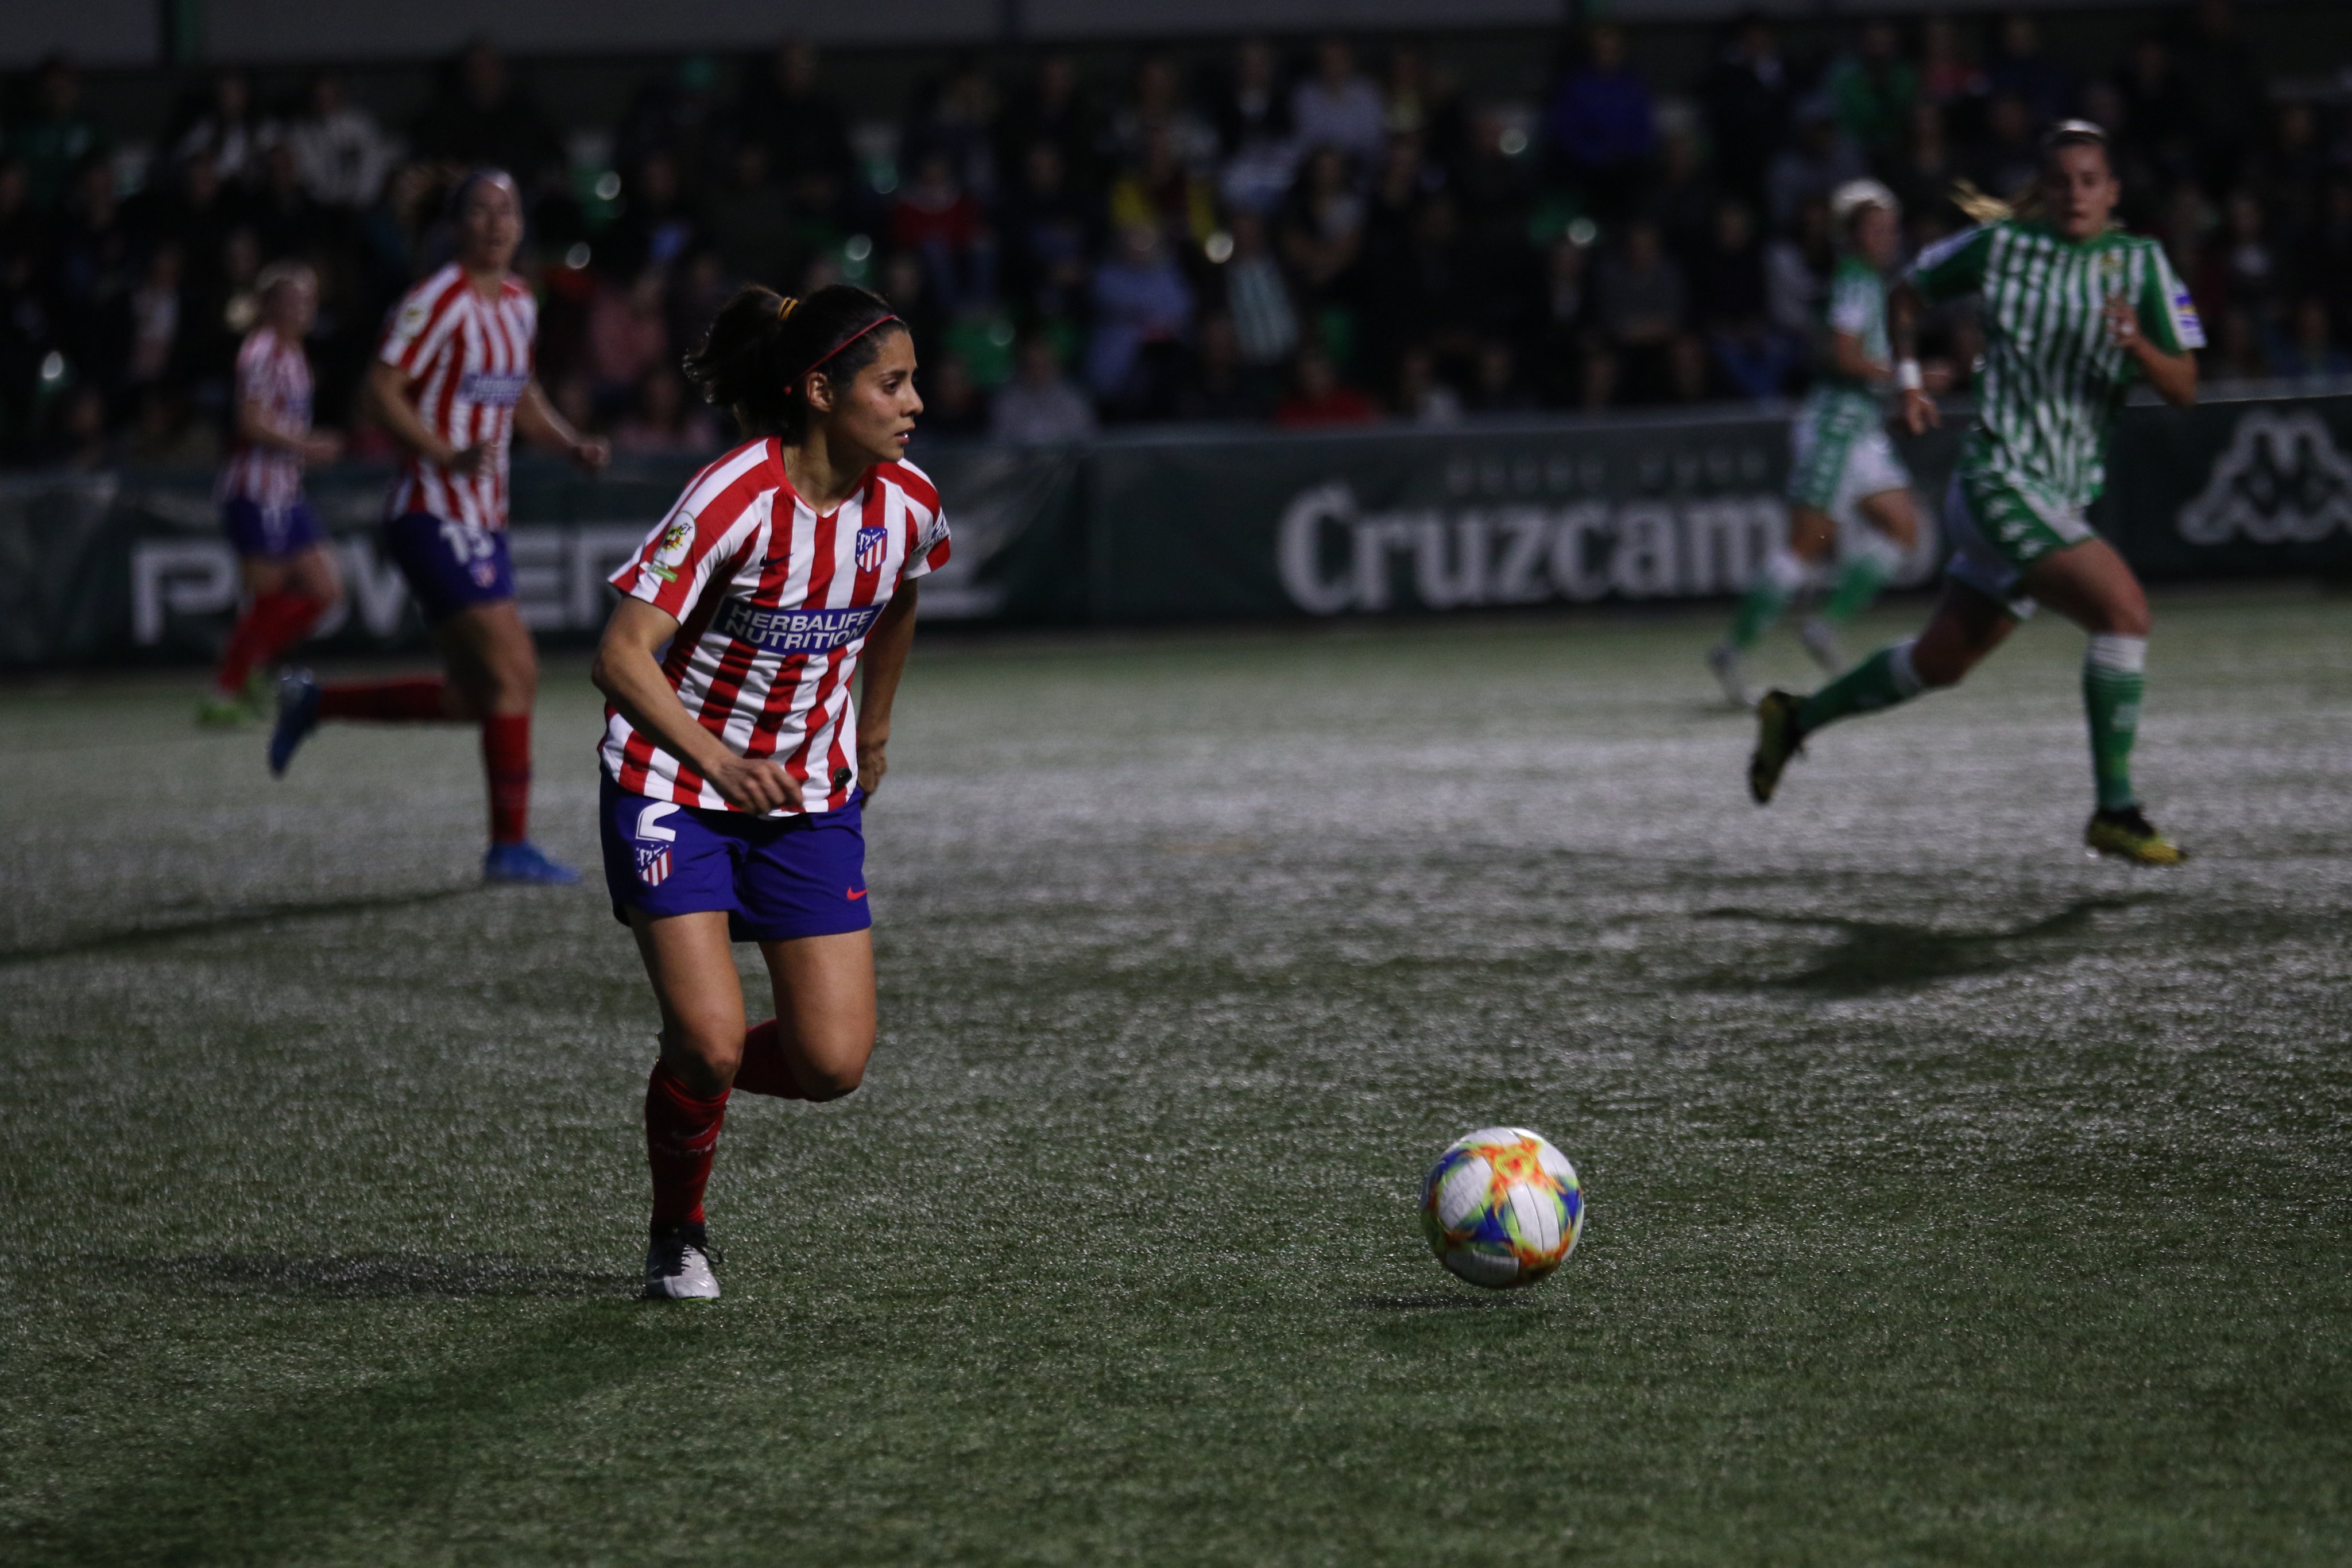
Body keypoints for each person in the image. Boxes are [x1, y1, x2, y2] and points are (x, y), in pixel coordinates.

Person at [590, 285, 947, 1300]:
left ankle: (688, 1078)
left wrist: (872, 727)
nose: (915, 401)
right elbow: (620, 657)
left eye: (914, 380)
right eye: (893, 383)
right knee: (710, 1037)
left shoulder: (908, 502)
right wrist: (715, 759)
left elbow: (904, 591)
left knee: (832, 1064)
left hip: (807, 797)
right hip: (672, 782)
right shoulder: (732, 497)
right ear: (822, 391)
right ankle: (678, 1231)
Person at [1748, 123, 2204, 865]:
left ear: (2112, 191)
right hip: (1999, 479)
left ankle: (1795, 716)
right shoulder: (2004, 249)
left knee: (1941, 662)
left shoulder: (2143, 265)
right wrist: (1906, 381)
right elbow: (1906, 294)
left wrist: (2142, 348)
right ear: (2045, 189)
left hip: (2056, 496)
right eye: (2061, 181)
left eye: (2090, 181)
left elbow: (2185, 386)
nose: (2075, 194)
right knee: (2124, 612)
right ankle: (2115, 807)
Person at [269, 169, 609, 883]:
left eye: (506, 211)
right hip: (433, 512)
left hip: (481, 523)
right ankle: (508, 848)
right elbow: (376, 391)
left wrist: (570, 442)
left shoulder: (518, 302)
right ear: (455, 227)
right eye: (479, 212)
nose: (493, 223)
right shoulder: (436, 301)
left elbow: (521, 397)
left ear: (520, 226)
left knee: (477, 696)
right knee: (516, 673)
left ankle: (315, 701)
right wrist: (441, 451)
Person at [1709, 181, 1922, 704]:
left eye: (1890, 229)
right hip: (1833, 427)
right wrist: (1901, 376)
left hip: (1859, 429)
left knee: (1902, 528)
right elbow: (1841, 356)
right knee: (1804, 548)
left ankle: (1824, 626)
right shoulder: (1854, 280)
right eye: (1874, 230)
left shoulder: (1868, 282)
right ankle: (1733, 650)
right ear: (1850, 237)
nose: (1886, 238)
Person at [199, 262, 345, 726]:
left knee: (326, 591)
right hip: (254, 490)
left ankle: (248, 666)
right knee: (265, 601)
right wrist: (309, 446)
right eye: (295, 301)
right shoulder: (261, 352)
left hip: (285, 492)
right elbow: (250, 422)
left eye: (309, 301)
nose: (305, 310)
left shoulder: (295, 354)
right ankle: (225, 690)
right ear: (270, 307)